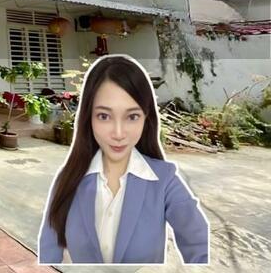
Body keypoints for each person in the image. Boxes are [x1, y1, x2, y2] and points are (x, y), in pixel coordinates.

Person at [37, 54, 209, 264]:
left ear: (146, 118)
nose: (118, 133)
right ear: (88, 118)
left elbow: (198, 244)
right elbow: (48, 255)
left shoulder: (165, 181)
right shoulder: (68, 179)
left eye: (132, 117)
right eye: (104, 116)